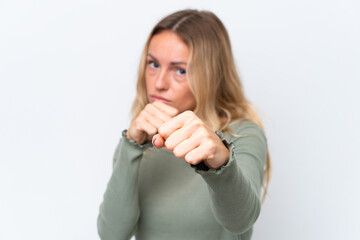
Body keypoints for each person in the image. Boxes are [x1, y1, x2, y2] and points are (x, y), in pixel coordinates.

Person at [97, 9, 271, 240]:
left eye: (180, 70)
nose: (159, 83)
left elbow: (240, 221)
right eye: (153, 64)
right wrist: (130, 146)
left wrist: (220, 162)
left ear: (210, 75)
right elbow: (112, 235)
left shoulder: (242, 134)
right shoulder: (139, 141)